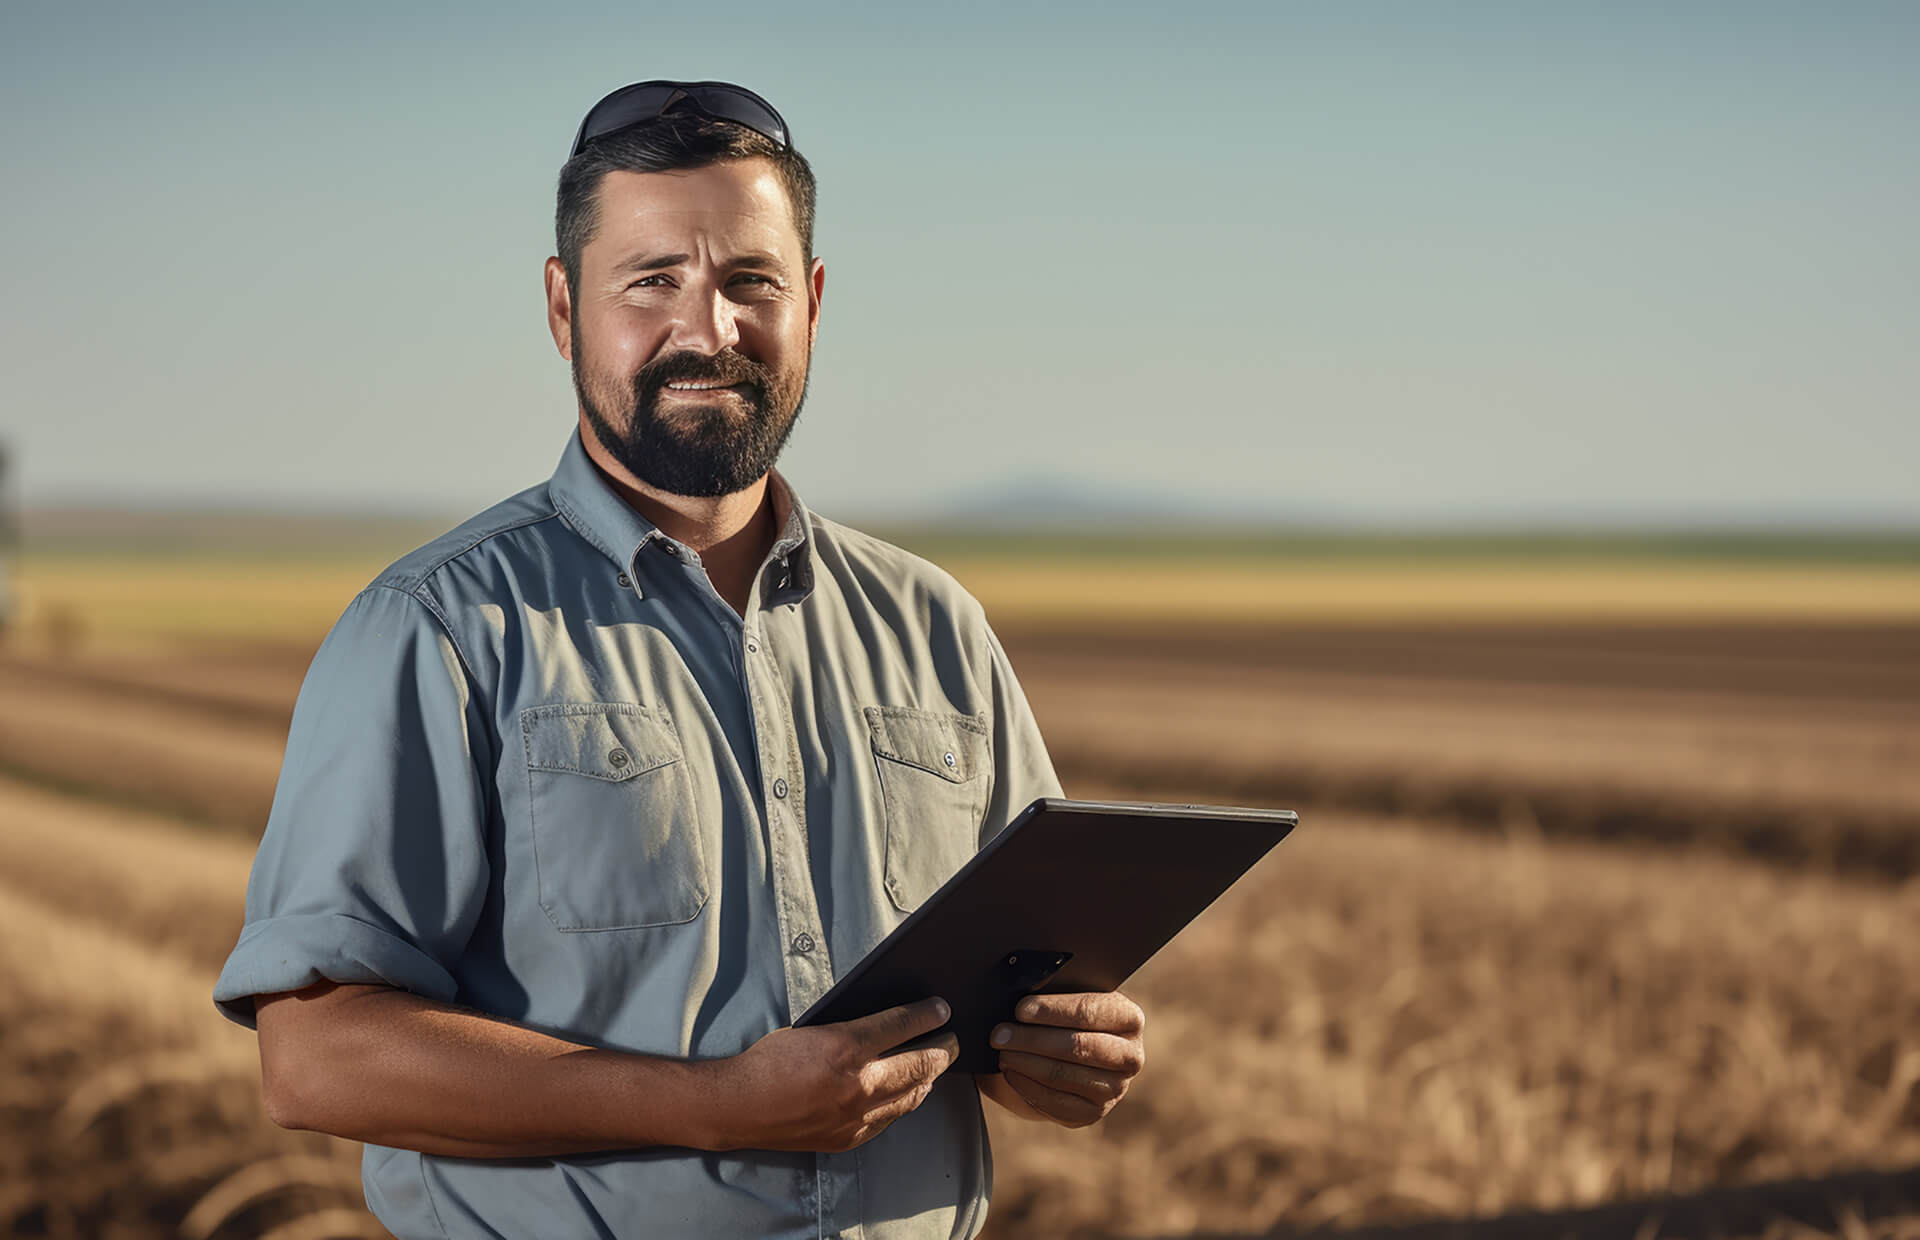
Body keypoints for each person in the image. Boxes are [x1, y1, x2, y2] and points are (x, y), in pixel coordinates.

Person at [212, 80, 1147, 1239]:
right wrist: (713, 1108)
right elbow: (314, 1058)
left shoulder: (936, 624)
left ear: (809, 302)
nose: (709, 331)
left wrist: (1054, 1050)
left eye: (750, 282)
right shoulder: (439, 626)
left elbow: (1027, 979)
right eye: (652, 281)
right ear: (564, 309)